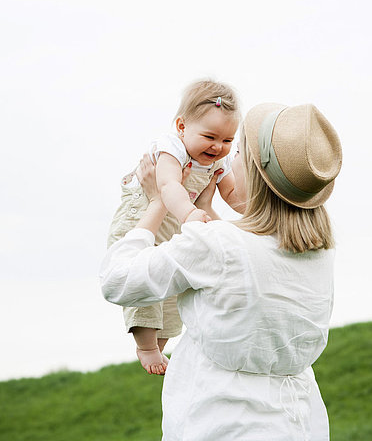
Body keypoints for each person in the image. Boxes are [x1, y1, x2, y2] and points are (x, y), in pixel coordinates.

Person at [100, 102, 342, 440]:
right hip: (299, 424)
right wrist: (206, 211)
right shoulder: (320, 252)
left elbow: (118, 280)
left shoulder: (217, 245)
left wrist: (157, 201)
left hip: (221, 424)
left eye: (238, 150)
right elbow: (241, 260)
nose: (229, 158)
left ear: (255, 173)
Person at [107, 79, 242, 375]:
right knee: (144, 280)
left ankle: (161, 342)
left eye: (228, 140)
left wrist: (257, 215)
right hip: (142, 218)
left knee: (172, 290)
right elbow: (168, 185)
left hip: (177, 222)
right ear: (182, 126)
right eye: (210, 136)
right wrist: (190, 213)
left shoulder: (220, 160)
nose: (218, 146)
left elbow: (232, 195)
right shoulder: (171, 148)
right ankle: (146, 346)